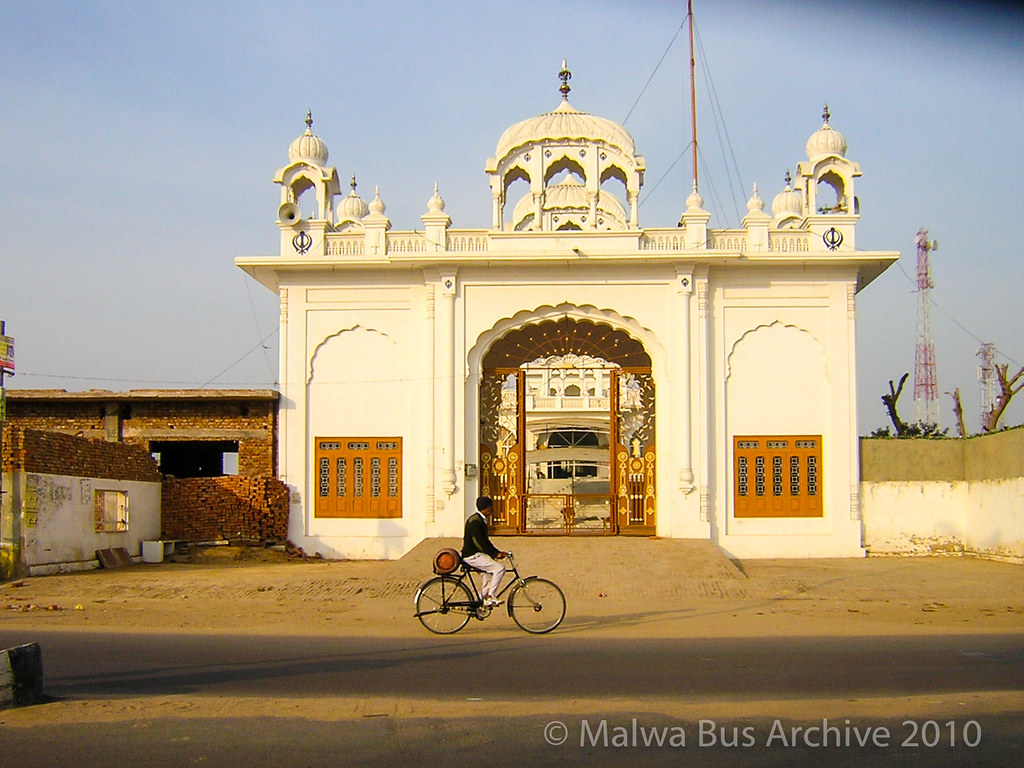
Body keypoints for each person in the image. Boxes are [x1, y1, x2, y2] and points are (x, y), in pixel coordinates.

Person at [462, 496, 508, 608]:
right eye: (491, 507)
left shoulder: (479, 519)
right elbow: (480, 543)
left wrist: (497, 552)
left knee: (488, 578)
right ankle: (490, 597)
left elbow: (485, 542)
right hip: (472, 555)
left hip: (477, 554)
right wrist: (495, 554)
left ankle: (479, 603)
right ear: (486, 508)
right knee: (499, 568)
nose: (492, 509)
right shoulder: (475, 522)